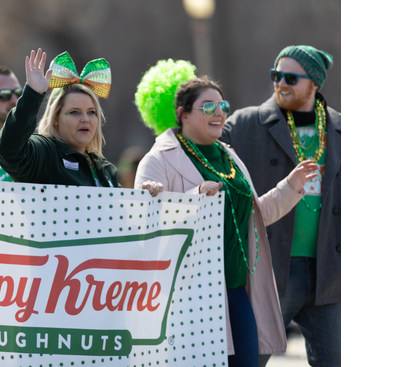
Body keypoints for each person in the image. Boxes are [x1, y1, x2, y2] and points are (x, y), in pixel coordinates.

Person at [133, 65, 319, 367]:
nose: (219, 113)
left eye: (223, 106)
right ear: (183, 114)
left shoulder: (228, 156)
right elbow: (145, 225)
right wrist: (194, 199)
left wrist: (290, 187)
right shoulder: (159, 158)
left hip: (236, 291)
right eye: (208, 106)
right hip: (188, 296)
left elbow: (255, 217)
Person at [221, 45, 340, 367]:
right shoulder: (244, 124)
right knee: (248, 360)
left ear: (314, 84)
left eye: (290, 77)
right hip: (269, 267)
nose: (280, 84)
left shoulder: (341, 130)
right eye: (276, 75)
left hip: (329, 274)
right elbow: (202, 152)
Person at [0, 49, 119, 187]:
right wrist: (32, 95)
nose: (86, 119)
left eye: (91, 112)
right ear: (55, 118)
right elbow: (10, 150)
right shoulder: (45, 153)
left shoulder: (106, 169)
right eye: (74, 112)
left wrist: (145, 193)